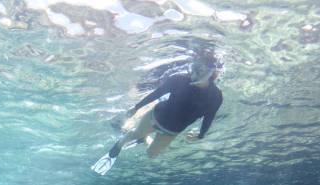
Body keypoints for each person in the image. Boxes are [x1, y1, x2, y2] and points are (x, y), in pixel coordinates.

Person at [91, 55, 223, 175]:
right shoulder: (178, 80)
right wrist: (136, 108)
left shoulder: (216, 96)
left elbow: (209, 117)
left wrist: (201, 135)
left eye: (201, 70)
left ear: (212, 72)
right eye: (194, 67)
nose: (195, 73)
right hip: (155, 117)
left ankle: (145, 139)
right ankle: (117, 147)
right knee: (134, 134)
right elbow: (156, 94)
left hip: (171, 131)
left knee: (151, 154)